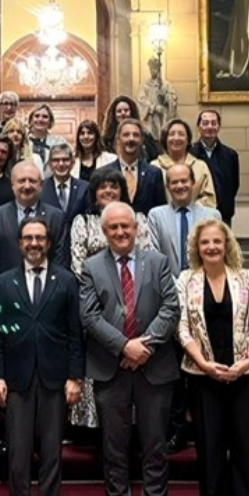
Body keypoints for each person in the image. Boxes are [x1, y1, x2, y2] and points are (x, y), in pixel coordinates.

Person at [80, 202, 179, 496]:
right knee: (115, 448)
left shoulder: (159, 262)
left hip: (154, 368)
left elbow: (171, 307)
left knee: (154, 446)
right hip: (112, 368)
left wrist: (144, 347)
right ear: (104, 232)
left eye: (126, 226)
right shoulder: (91, 267)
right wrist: (125, 347)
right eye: (113, 228)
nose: (120, 233)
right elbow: (89, 316)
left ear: (137, 228)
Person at [0, 217, 84, 496]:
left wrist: (75, 377)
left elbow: (75, 333)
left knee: (53, 454)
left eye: (39, 238)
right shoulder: (3, 282)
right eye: (28, 237)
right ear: (19, 243)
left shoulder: (67, 281)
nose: (33, 243)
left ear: (48, 242)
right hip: (17, 380)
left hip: (56, 380)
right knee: (18, 454)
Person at [175, 219, 249, 496]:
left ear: (226, 244)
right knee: (211, 452)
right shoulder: (187, 280)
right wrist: (203, 363)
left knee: (245, 449)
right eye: (205, 243)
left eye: (217, 241)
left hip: (244, 377)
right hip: (204, 379)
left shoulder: (245, 278)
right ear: (196, 248)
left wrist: (246, 361)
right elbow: (183, 328)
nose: (211, 247)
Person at [67, 169, 155, 444]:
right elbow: (77, 262)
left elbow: (149, 256)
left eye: (113, 187)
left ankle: (130, 424)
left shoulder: (139, 219)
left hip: (134, 301)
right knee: (99, 363)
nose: (108, 191)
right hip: (95, 301)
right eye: (102, 187)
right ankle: (91, 427)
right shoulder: (83, 221)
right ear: (93, 192)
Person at [147, 163, 222, 454]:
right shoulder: (156, 215)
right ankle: (177, 429)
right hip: (170, 301)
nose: (179, 186)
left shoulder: (211, 216)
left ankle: (207, 430)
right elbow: (154, 255)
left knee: (204, 367)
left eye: (184, 181)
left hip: (206, 301)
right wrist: (177, 288)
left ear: (193, 183)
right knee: (175, 372)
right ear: (168, 186)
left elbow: (219, 253)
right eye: (174, 182)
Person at [0, 161, 69, 281]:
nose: (27, 186)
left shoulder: (56, 217)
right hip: (6, 290)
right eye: (21, 181)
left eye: (32, 181)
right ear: (12, 185)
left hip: (45, 290)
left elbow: (60, 260)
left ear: (41, 185)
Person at [100, 119, 167, 216]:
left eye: (136, 135)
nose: (131, 139)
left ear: (142, 139)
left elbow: (161, 210)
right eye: (126, 135)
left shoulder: (154, 173)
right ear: (118, 139)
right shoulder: (104, 173)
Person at [190, 109, 241, 227]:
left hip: (223, 215)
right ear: (198, 126)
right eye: (205, 123)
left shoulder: (230, 155)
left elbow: (234, 185)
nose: (209, 127)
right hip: (195, 213)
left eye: (213, 123)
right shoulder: (189, 154)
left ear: (219, 127)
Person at [153, 118, 218, 210]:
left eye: (181, 134)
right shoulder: (154, 167)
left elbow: (209, 199)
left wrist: (188, 210)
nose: (176, 138)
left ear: (188, 140)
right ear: (165, 139)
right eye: (171, 134)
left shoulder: (200, 166)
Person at [40, 143, 90, 221]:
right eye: (56, 160)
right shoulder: (40, 188)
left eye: (65, 160)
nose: (61, 164)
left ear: (72, 163)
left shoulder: (84, 188)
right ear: (49, 164)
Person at [101, 95, 160, 160]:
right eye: (119, 111)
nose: (123, 113)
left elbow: (154, 158)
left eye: (126, 110)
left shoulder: (145, 136)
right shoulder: (106, 140)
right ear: (113, 115)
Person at [137, 56, 178, 139]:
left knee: (163, 135)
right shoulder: (145, 85)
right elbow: (141, 99)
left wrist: (166, 97)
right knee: (151, 137)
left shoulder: (165, 84)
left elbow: (172, 99)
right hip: (150, 116)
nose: (153, 70)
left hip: (162, 117)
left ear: (158, 69)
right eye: (151, 68)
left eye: (155, 68)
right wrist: (154, 107)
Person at [26, 103, 69, 176]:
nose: (40, 119)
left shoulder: (59, 141)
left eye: (45, 117)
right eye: (37, 116)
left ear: (50, 121)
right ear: (31, 119)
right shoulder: (23, 141)